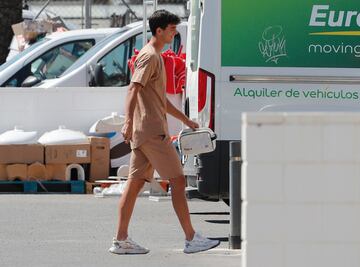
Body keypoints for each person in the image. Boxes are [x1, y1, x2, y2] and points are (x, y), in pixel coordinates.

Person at [109, 9, 220, 255]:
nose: (175, 32)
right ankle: (191, 238)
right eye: (171, 28)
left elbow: (161, 101)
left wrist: (187, 121)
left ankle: (121, 239)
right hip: (152, 132)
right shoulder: (150, 57)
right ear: (159, 30)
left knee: (135, 184)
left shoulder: (155, 56)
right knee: (178, 180)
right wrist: (127, 121)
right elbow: (132, 89)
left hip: (145, 132)